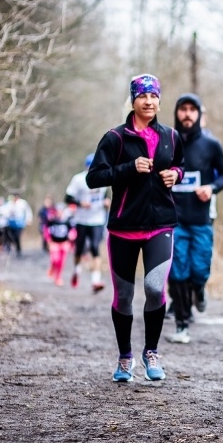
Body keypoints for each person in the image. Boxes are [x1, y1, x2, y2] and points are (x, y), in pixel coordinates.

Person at [86, 73, 183, 383]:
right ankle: (125, 356)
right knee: (124, 297)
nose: (149, 101)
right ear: (133, 99)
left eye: (154, 95)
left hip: (161, 224)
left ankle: (151, 352)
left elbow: (180, 164)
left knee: (155, 288)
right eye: (143, 96)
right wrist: (130, 168)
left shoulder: (170, 135)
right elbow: (94, 178)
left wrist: (176, 175)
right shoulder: (115, 138)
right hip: (124, 227)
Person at [166, 93, 223, 344]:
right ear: (176, 112)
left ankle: (200, 289)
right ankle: (182, 324)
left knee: (200, 270)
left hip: (201, 219)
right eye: (182, 109)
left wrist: (211, 188)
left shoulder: (210, 144)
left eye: (192, 110)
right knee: (177, 272)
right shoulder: (167, 141)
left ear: (199, 114)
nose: (187, 114)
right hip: (173, 219)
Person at [65, 153, 110, 293]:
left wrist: (107, 202)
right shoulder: (78, 179)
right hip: (81, 220)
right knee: (79, 249)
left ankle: (95, 281)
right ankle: (76, 270)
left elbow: (107, 196)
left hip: (97, 220)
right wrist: (80, 203)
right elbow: (67, 198)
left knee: (96, 248)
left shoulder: (104, 178)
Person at [44, 203, 77, 286]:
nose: (60, 213)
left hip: (65, 243)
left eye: (61, 211)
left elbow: (73, 230)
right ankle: (52, 267)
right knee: (55, 259)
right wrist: (48, 239)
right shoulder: (52, 220)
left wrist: (72, 235)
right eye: (58, 211)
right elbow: (46, 229)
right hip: (54, 242)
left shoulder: (68, 220)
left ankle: (58, 278)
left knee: (61, 262)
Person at [4, 192, 33, 257]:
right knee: (11, 236)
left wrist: (29, 219)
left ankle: (18, 249)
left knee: (17, 236)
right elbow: (5, 212)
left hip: (20, 223)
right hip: (11, 223)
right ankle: (14, 247)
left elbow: (28, 211)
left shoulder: (23, 203)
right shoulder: (10, 203)